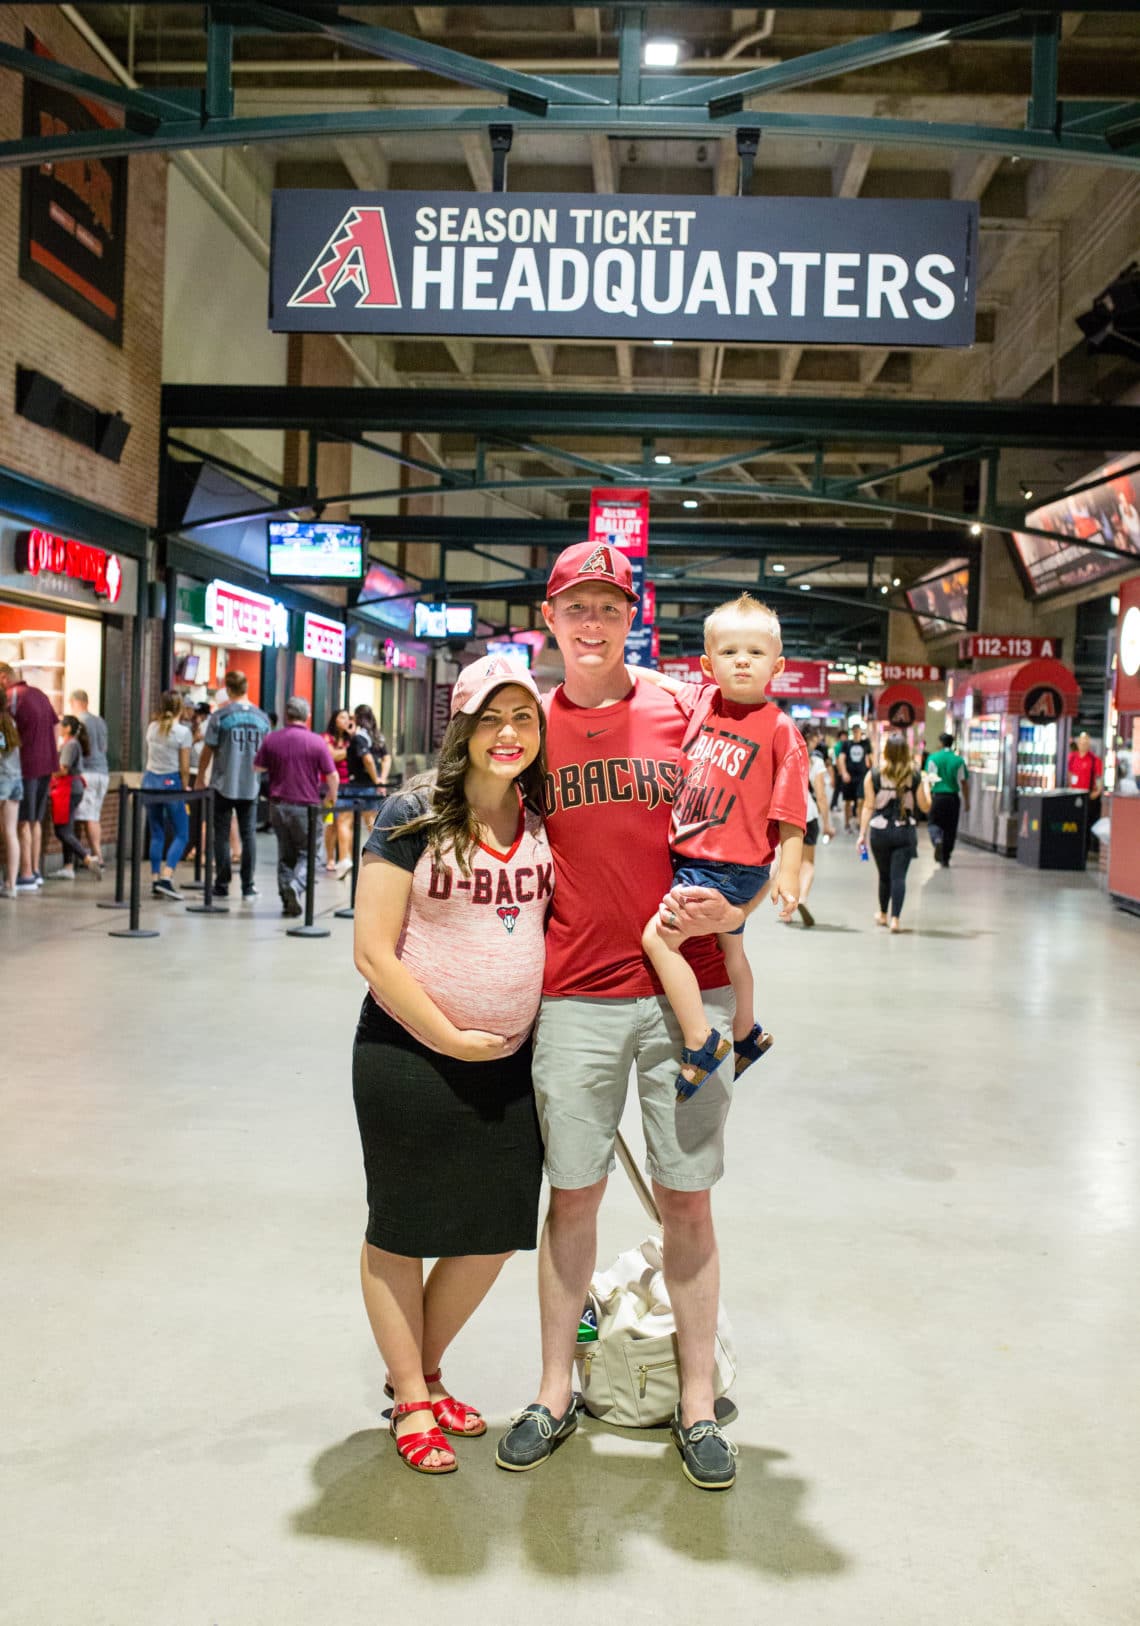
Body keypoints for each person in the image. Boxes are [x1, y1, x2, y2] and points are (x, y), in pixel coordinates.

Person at [496, 541, 747, 1493]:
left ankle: (693, 1405)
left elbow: (753, 821)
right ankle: (555, 1391)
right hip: (575, 996)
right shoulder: (525, 728)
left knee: (688, 1197)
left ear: (631, 616)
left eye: (610, 606)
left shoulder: (687, 709)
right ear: (550, 619)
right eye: (576, 608)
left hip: (692, 990)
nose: (592, 624)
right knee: (573, 1196)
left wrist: (747, 905)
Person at [351, 653, 550, 1476]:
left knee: (494, 1230)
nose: (508, 736)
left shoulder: (542, 816)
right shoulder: (411, 814)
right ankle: (412, 1393)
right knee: (402, 1230)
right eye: (491, 719)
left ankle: (421, 1381)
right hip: (407, 1055)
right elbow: (373, 952)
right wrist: (447, 1036)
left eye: (524, 720)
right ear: (462, 728)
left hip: (508, 1064)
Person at [641, 594, 806, 1100]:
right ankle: (746, 1033)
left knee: (658, 941)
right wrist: (617, 670)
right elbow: (660, 682)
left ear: (776, 666)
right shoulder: (701, 702)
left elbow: (791, 815)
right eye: (730, 651)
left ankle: (701, 1040)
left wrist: (790, 874)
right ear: (708, 664)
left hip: (724, 868)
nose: (742, 660)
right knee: (732, 949)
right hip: (703, 859)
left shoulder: (780, 730)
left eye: (755, 653)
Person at [252, 697, 337, 916]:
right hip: (306, 806)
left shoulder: (272, 739)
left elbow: (257, 767)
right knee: (310, 853)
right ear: (307, 716)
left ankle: (286, 897)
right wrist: (331, 798)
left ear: (286, 715)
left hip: (278, 806)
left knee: (286, 854)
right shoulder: (316, 742)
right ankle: (297, 886)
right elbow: (332, 776)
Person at [195, 670, 270, 901]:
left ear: (227, 689)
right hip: (250, 786)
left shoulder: (221, 717)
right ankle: (248, 885)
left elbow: (208, 749)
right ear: (247, 688)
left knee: (221, 834)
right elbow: (267, 753)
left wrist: (200, 777)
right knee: (248, 836)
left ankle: (222, 883)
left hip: (223, 783)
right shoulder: (263, 718)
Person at [858, 733, 931, 932]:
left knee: (883, 875)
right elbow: (925, 807)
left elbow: (868, 806)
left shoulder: (873, 775)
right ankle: (895, 919)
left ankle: (882, 914)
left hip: (879, 832)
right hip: (904, 831)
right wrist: (927, 787)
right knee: (899, 877)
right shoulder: (914, 776)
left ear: (886, 751)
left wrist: (861, 833)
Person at [0, 661, 58, 890]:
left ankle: (24, 875)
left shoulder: (13, 699)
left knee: (20, 824)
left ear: (4, 677)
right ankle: (34, 870)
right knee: (34, 821)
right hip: (46, 765)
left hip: (26, 768)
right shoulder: (40, 695)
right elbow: (55, 726)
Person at [143, 691, 192, 900]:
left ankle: (155, 878)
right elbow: (184, 766)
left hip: (150, 782)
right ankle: (167, 876)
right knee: (182, 833)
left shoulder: (152, 728)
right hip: (171, 784)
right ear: (180, 707)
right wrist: (186, 786)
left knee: (157, 833)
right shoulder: (182, 732)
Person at [793, 722, 834, 927]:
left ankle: (787, 906)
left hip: (786, 813)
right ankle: (802, 899)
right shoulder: (815, 761)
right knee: (807, 863)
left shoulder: (786, 755)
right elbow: (821, 795)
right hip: (807, 813)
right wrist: (827, 823)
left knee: (789, 862)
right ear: (809, 739)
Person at [49, 716, 98, 879]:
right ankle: (68, 866)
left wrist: (47, 773)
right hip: (73, 788)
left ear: (68, 728)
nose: (59, 727)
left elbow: (63, 769)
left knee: (61, 830)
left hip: (67, 788)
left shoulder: (70, 745)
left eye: (62, 725)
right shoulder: (72, 744)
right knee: (67, 828)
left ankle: (86, 857)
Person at [69, 690, 109, 870]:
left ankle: (96, 857)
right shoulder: (100, 721)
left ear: (74, 702)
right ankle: (93, 855)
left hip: (88, 773)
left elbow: (76, 749)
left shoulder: (79, 722)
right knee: (94, 815)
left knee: (88, 817)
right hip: (103, 772)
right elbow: (104, 747)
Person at [925, 730, 970, 866]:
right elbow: (963, 782)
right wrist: (967, 801)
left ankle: (937, 840)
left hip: (938, 797)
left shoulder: (933, 758)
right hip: (953, 798)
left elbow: (928, 780)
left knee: (933, 823)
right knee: (950, 828)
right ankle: (946, 858)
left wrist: (928, 797)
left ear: (940, 743)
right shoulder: (958, 760)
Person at [345, 704, 392, 834]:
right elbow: (387, 758)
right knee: (372, 823)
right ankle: (376, 853)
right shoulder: (377, 736)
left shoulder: (360, 736)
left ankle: (350, 854)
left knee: (350, 822)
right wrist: (381, 779)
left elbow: (368, 759)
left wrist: (376, 780)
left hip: (360, 785)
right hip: (373, 785)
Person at [322, 708, 353, 873]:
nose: (346, 720)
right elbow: (331, 756)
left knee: (344, 823)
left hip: (347, 786)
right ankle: (330, 858)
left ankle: (344, 857)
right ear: (335, 719)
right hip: (328, 787)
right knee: (330, 823)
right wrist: (348, 752)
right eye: (342, 717)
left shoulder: (351, 739)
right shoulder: (326, 737)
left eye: (348, 718)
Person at [1067, 731, 1104, 856]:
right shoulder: (1072, 758)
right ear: (1078, 743)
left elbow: (1099, 778)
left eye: (1086, 742)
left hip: (1088, 796)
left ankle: (1085, 851)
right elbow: (1069, 774)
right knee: (1073, 823)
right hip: (1074, 794)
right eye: (1081, 742)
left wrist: (1097, 792)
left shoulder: (1095, 760)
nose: (1083, 744)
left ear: (1089, 744)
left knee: (1086, 824)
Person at [0, 687, 21, 898]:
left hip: (2, 781)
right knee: (10, 832)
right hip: (16, 780)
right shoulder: (11, 723)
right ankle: (11, 883)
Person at [837, 721, 872, 832]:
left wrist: (871, 769)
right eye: (855, 731)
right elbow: (841, 759)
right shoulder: (847, 744)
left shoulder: (866, 743)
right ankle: (847, 823)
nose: (857, 733)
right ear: (852, 732)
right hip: (849, 776)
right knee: (848, 801)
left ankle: (859, 822)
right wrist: (844, 772)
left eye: (858, 732)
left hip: (861, 776)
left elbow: (871, 757)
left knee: (861, 800)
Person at [830, 728, 848, 817]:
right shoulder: (838, 745)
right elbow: (837, 759)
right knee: (837, 788)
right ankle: (833, 805)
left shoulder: (844, 744)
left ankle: (835, 804)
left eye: (845, 736)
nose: (844, 737)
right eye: (843, 736)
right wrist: (840, 770)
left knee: (839, 789)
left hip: (840, 769)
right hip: (838, 769)